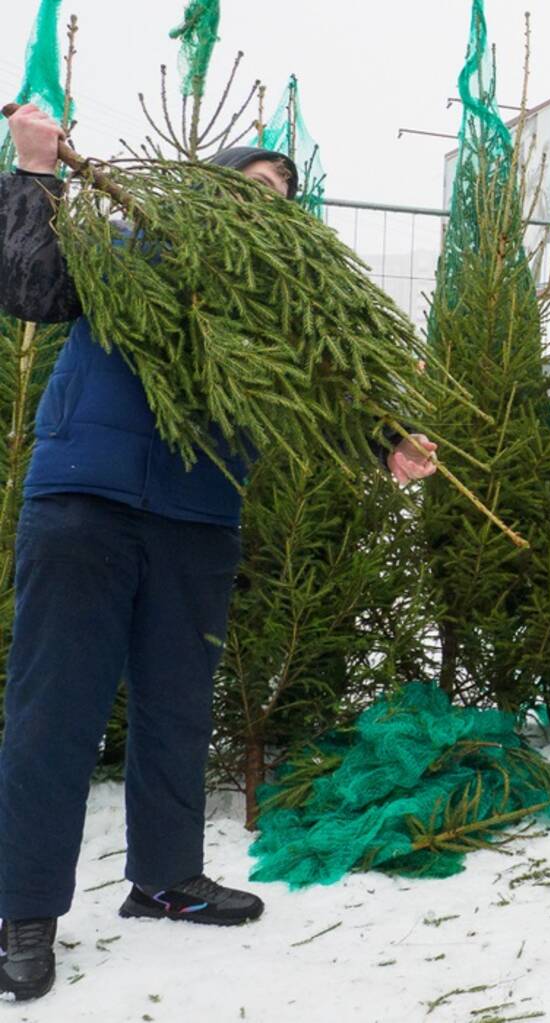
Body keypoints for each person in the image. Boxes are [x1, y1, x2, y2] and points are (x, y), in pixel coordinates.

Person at [0, 104, 438, 1002]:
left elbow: (327, 375)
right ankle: (24, 909)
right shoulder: (126, 248)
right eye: (254, 180)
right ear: (203, 194)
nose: (269, 197)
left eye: (285, 192)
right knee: (55, 710)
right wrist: (35, 175)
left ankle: (166, 877)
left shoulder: (274, 303)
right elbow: (29, 289)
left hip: (200, 513)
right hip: (87, 496)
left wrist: (385, 436)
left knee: (177, 705)